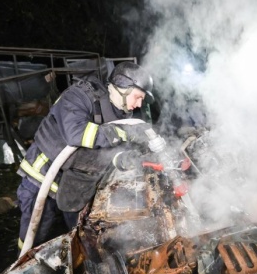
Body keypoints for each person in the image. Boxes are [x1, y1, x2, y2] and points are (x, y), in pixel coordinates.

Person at [16, 62, 154, 249]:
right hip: (42, 178)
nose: (139, 104)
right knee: (34, 237)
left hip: (77, 185)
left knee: (84, 238)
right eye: (138, 97)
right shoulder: (79, 96)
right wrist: (120, 133)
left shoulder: (119, 113)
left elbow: (106, 150)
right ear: (123, 87)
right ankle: (23, 272)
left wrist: (123, 157)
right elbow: (76, 134)